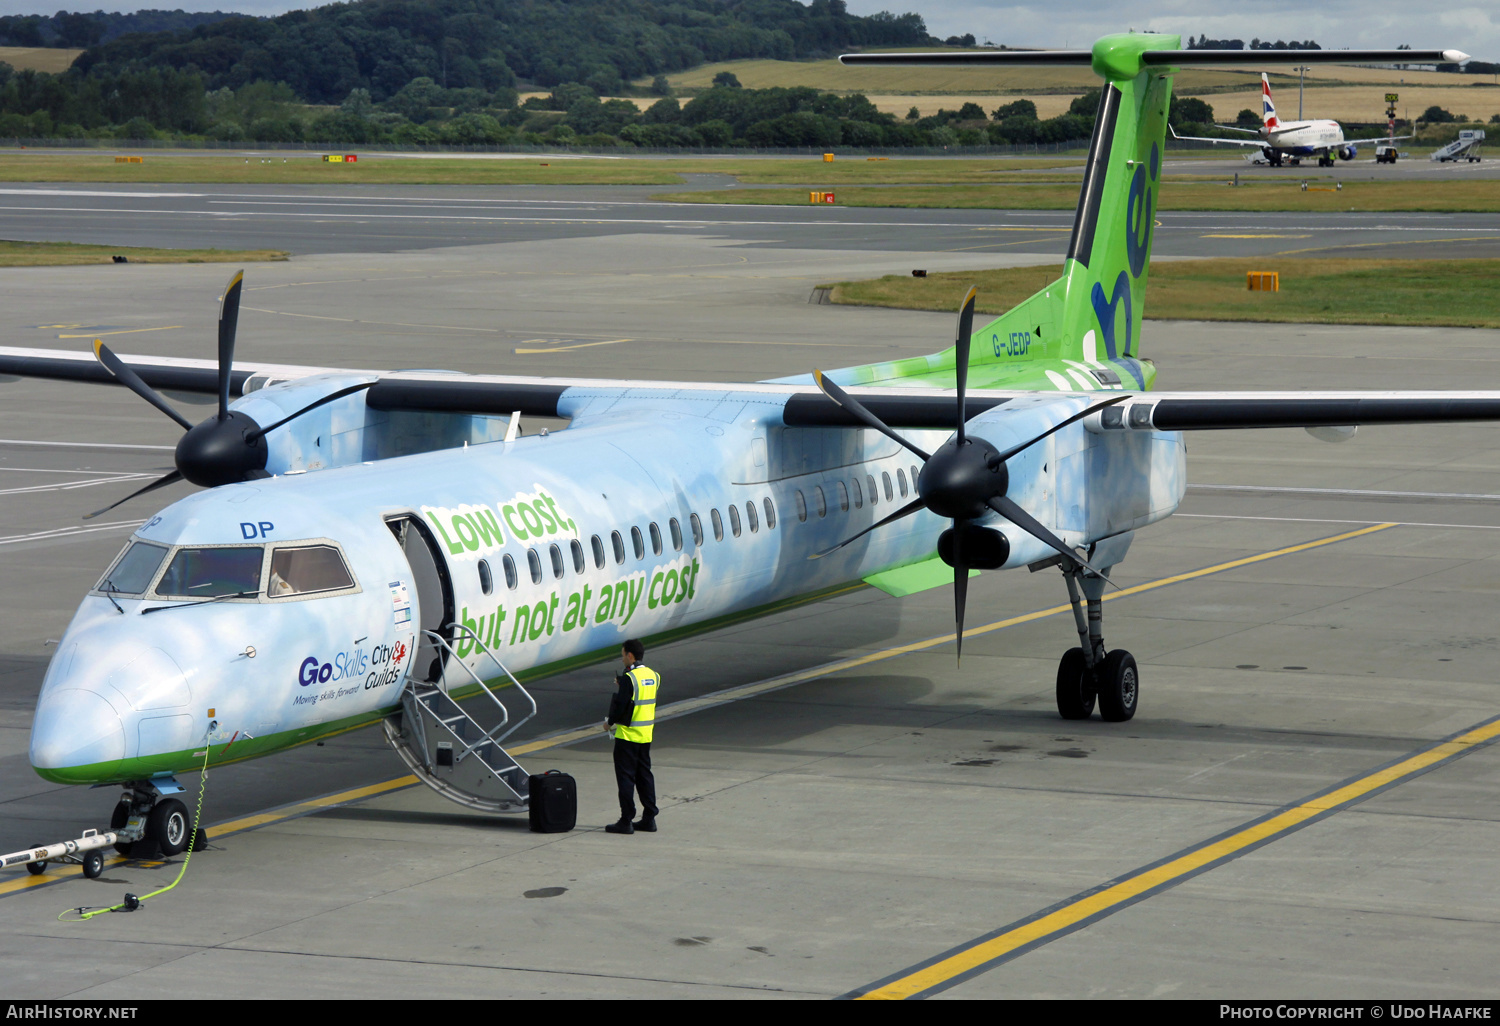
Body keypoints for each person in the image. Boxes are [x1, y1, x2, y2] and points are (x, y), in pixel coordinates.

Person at [604, 638, 659, 834]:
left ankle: (626, 819)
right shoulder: (654, 675)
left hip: (627, 736)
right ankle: (649, 818)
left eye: (622, 655)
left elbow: (621, 706)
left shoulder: (630, 678)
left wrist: (608, 723)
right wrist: (624, 683)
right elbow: (641, 697)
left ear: (630, 655)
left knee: (626, 778)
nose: (622, 659)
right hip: (645, 736)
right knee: (645, 776)